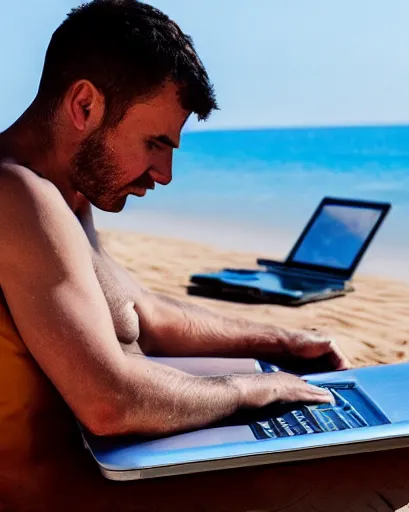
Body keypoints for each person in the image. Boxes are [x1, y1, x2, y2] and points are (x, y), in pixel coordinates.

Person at [0, 1, 350, 509]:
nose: (163, 174)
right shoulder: (15, 195)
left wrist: (283, 346)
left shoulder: (64, 193)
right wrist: (247, 391)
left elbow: (142, 310)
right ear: (84, 106)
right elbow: (108, 402)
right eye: (154, 143)